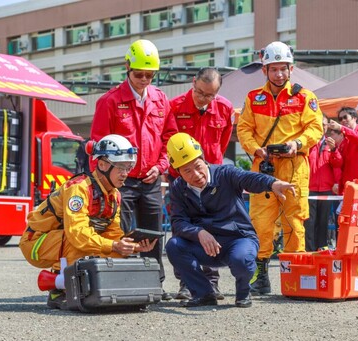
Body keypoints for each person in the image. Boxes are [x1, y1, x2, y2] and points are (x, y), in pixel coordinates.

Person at [19, 134, 157, 309]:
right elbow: (77, 234)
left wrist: (130, 246)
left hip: (62, 239)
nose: (125, 174)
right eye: (121, 167)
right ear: (102, 165)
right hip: (35, 242)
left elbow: (112, 234)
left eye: (128, 167)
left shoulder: (114, 195)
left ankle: (93, 288)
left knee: (116, 251)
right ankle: (58, 291)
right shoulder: (79, 188)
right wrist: (112, 245)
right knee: (76, 240)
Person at [90, 39, 178, 300]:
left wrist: (161, 166)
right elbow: (99, 144)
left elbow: (170, 138)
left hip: (150, 179)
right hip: (122, 182)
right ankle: (123, 281)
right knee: (122, 230)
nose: (144, 79)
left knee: (153, 232)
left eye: (149, 75)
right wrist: (108, 181)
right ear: (127, 68)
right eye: (138, 74)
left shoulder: (161, 100)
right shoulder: (110, 101)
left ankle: (156, 284)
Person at [165, 132, 295, 308]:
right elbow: (178, 222)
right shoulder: (178, 189)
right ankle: (203, 294)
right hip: (207, 246)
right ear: (178, 172)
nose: (196, 174)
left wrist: (272, 183)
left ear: (204, 159)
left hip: (238, 239)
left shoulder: (225, 174)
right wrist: (198, 232)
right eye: (187, 170)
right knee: (174, 246)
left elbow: (248, 178)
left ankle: (243, 292)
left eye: (197, 166)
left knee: (241, 259)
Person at [236, 41, 323, 294]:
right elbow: (244, 129)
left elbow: (316, 128)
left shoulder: (305, 97)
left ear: (291, 68)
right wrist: (256, 149)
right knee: (261, 222)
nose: (279, 74)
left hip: (295, 167)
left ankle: (295, 276)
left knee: (294, 220)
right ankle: (260, 276)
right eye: (273, 69)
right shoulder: (253, 98)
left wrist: (298, 143)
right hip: (262, 167)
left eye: (283, 68)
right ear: (265, 70)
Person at [168, 67, 234, 300]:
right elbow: (169, 142)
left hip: (211, 179)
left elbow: (223, 141)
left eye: (210, 95)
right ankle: (187, 282)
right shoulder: (175, 107)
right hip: (182, 181)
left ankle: (212, 282)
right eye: (200, 93)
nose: (203, 99)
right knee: (184, 229)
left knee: (214, 227)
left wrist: (211, 169)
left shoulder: (224, 108)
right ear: (193, 82)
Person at [304, 114, 342, 251]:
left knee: (323, 220)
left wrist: (334, 150)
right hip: (310, 187)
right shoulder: (307, 143)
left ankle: (322, 247)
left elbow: (337, 164)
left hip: (326, 188)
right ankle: (309, 250)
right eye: (319, 123)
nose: (322, 126)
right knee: (309, 221)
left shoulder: (331, 143)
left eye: (325, 124)